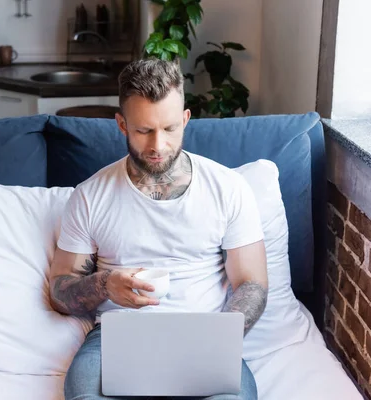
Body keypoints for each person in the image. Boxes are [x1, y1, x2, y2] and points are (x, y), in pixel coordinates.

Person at [48, 58, 268, 400]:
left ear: (185, 119)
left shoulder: (229, 188)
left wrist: (219, 339)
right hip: (114, 339)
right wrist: (105, 285)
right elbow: (61, 290)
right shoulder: (90, 196)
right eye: (143, 130)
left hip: (203, 336)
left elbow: (252, 284)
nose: (157, 146)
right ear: (122, 124)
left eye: (169, 129)